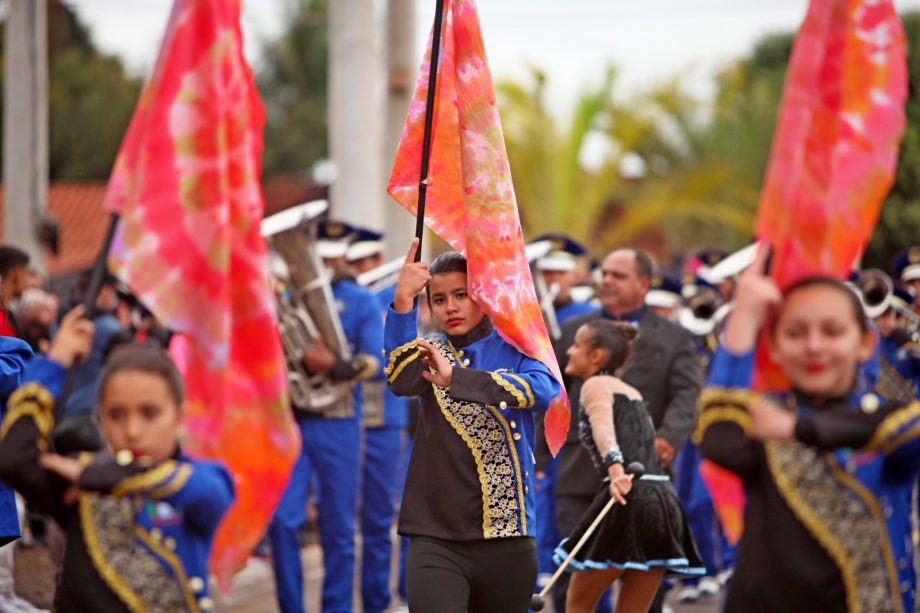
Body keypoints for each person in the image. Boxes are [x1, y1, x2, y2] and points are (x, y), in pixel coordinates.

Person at [697, 246, 920, 612]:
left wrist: (800, 428)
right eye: (796, 333)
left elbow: (907, 429)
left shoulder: (885, 420)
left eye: (832, 331)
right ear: (775, 347)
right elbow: (718, 435)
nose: (814, 346)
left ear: (865, 343)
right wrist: (745, 314)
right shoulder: (764, 418)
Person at [0, 306, 234, 612]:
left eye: (150, 413)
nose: (132, 431)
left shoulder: (197, 483)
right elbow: (13, 460)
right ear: (100, 419)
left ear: (180, 418)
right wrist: (56, 364)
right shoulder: (81, 488)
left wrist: (96, 477)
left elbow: (212, 490)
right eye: (116, 415)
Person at [385, 239, 560, 612]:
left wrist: (458, 380)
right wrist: (402, 303)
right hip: (436, 534)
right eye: (439, 299)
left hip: (506, 536)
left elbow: (542, 391)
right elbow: (400, 380)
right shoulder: (430, 350)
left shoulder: (518, 346)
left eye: (461, 295)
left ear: (483, 294)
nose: (450, 307)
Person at [539, 247, 702, 612]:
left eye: (619, 275)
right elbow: (552, 395)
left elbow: (686, 396)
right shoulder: (571, 332)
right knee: (572, 580)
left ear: (643, 284)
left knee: (644, 585)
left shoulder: (674, 337)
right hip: (579, 476)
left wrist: (667, 439)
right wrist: (536, 454)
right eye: (605, 273)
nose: (607, 280)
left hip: (646, 476)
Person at [268, 220, 384, 613]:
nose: (327, 265)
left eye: (335, 258)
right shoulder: (284, 299)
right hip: (292, 420)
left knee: (337, 529)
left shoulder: (361, 301)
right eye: (323, 257)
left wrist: (330, 364)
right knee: (283, 522)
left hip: (338, 419)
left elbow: (374, 364)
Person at [347, 226, 410, 613]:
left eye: (369, 261)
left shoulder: (393, 298)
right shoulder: (343, 301)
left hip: (387, 417)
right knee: (357, 520)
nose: (363, 269)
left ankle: (397, 597)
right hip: (347, 417)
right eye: (356, 263)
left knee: (390, 512)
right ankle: (372, 601)